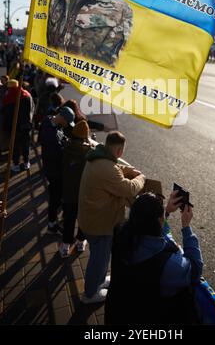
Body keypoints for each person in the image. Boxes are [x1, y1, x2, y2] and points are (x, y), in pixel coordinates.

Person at [105, 191, 203, 325]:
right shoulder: (169, 265)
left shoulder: (120, 234)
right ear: (158, 220)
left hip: (116, 312)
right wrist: (186, 228)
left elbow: (149, 230)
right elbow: (195, 270)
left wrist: (166, 212)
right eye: (162, 213)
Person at [78, 131, 146, 303]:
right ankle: (90, 293)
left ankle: (99, 281)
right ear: (119, 151)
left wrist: (127, 169)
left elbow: (113, 168)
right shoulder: (106, 167)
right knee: (99, 259)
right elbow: (129, 188)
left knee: (100, 256)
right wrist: (141, 178)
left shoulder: (98, 156)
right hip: (99, 224)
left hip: (92, 218)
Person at [39, 106, 75, 234]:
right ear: (63, 118)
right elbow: (56, 154)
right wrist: (67, 149)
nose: (66, 125)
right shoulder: (50, 133)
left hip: (52, 168)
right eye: (67, 122)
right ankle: (52, 225)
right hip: (54, 171)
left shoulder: (49, 121)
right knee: (55, 198)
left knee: (56, 197)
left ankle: (52, 222)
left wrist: (65, 141)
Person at [59, 120, 92, 258]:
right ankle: (80, 242)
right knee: (84, 218)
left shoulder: (65, 147)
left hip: (68, 191)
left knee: (69, 218)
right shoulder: (89, 152)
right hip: (84, 192)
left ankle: (65, 246)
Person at [3, 80, 35, 172]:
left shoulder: (9, 97)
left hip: (14, 127)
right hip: (26, 126)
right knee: (25, 145)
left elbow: (7, 115)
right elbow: (32, 109)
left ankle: (16, 164)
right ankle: (26, 162)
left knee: (15, 147)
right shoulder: (27, 95)